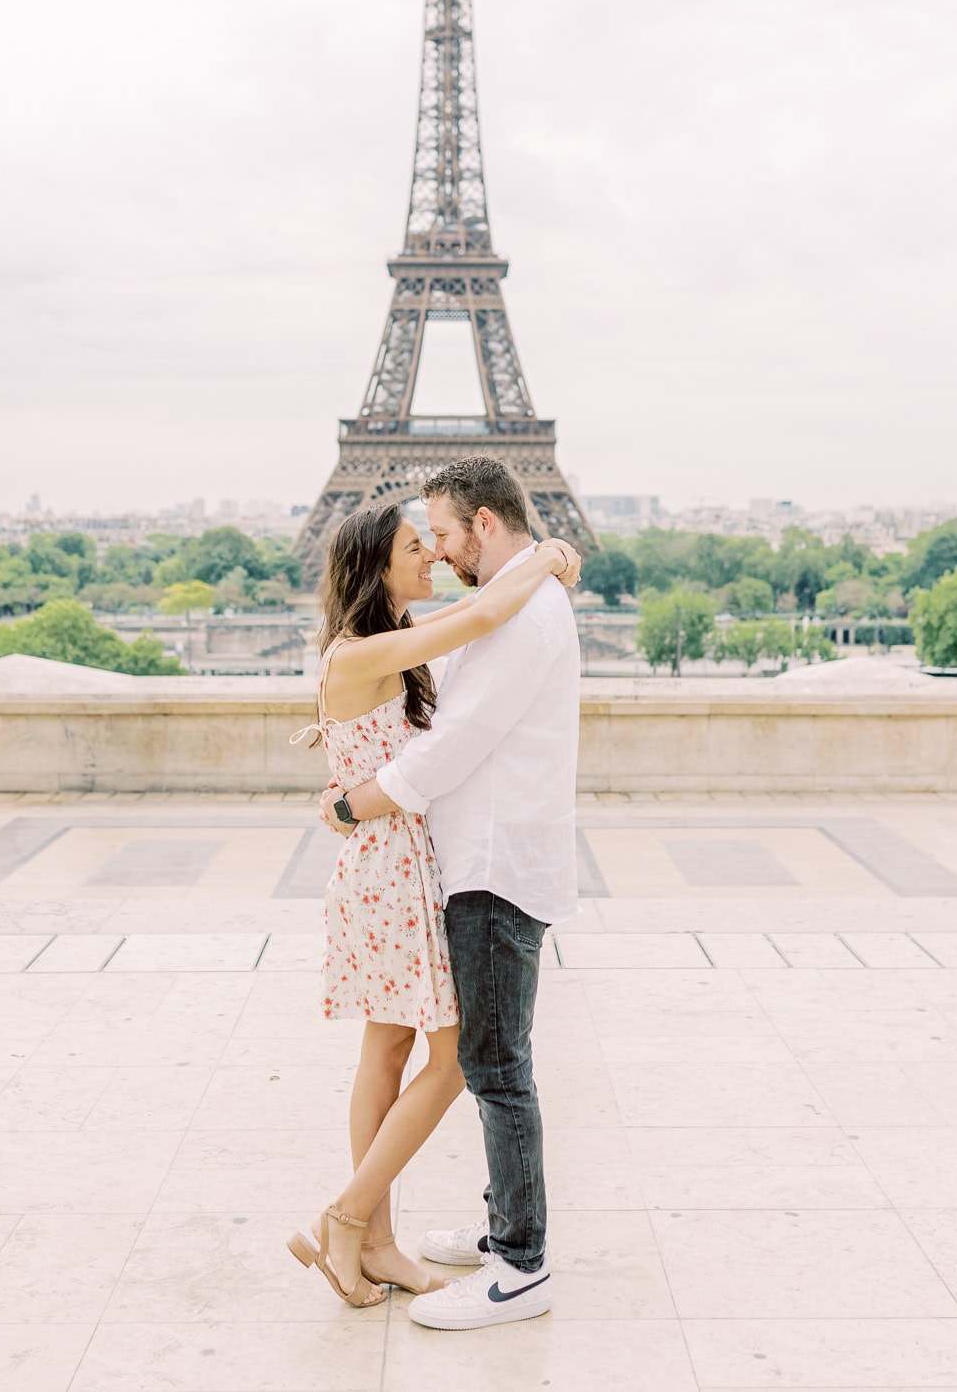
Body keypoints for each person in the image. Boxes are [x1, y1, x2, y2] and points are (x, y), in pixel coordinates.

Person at [286, 497, 580, 1309]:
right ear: (376, 564)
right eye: (417, 548)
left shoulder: (379, 645)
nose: (433, 559)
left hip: (393, 862)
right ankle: (349, 1218)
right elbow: (485, 610)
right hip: (390, 869)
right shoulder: (370, 649)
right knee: (450, 1057)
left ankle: (372, 1242)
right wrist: (548, 552)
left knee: (386, 1052)